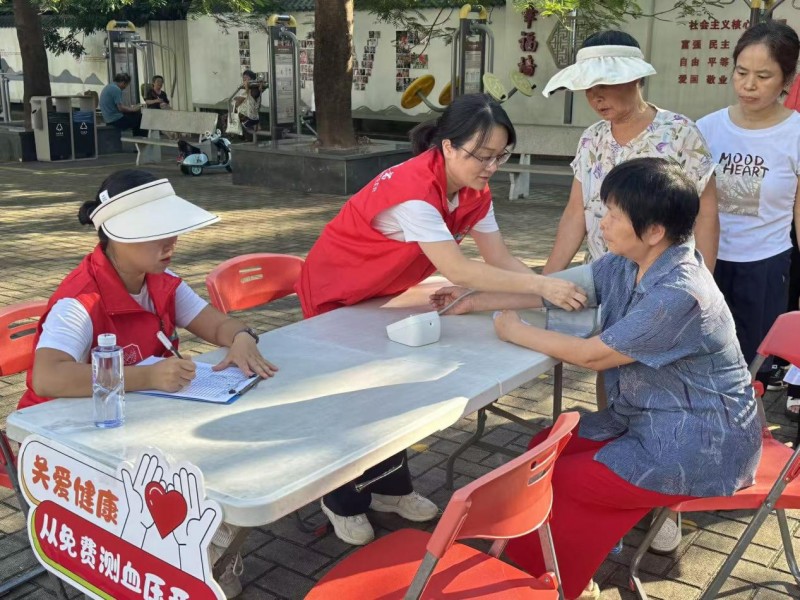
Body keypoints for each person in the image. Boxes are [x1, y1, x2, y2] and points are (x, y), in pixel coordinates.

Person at [431, 158, 762, 600]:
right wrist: (472, 299)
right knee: (542, 448)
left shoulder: (680, 294)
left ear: (654, 231)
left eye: (612, 214)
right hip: (647, 419)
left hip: (702, 442)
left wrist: (515, 330)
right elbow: (558, 289)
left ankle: (549, 584)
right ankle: (552, 569)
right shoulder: (631, 263)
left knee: (562, 478)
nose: (601, 222)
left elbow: (592, 356)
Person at [296, 93, 587, 547]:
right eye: (481, 155)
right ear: (447, 146)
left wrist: (547, 289)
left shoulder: (475, 191)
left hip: (382, 294)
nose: (490, 167)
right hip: (337, 294)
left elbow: (498, 257)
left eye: (500, 156)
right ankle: (341, 500)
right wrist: (541, 288)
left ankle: (391, 489)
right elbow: (459, 269)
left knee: (393, 392)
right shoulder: (413, 192)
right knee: (354, 399)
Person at [19, 169, 278, 599]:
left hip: (137, 424)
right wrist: (143, 376)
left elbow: (213, 323)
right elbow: (46, 377)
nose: (170, 244)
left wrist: (242, 337)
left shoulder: (162, 282)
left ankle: (204, 550)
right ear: (117, 238)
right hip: (64, 438)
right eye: (156, 234)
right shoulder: (80, 299)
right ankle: (180, 561)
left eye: (172, 231)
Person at [539, 32, 720, 554]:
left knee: (664, 390)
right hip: (612, 279)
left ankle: (666, 504)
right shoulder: (592, 138)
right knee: (614, 383)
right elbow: (576, 214)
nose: (598, 97)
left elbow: (706, 211)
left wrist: (702, 280)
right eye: (589, 88)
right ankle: (618, 490)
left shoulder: (680, 134)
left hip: (665, 284)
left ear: (637, 77)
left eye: (608, 85)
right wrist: (545, 280)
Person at [696, 22, 800, 406]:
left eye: (763, 75)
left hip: (765, 266)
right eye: (741, 72)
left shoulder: (795, 135)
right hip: (706, 262)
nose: (749, 85)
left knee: (748, 370)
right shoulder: (706, 129)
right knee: (701, 361)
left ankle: (744, 446)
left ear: (787, 78)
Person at [99, 72, 146, 137]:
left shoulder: (108, 87)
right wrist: (133, 109)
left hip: (108, 118)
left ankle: (138, 139)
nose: (125, 87)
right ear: (123, 82)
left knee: (135, 116)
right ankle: (141, 140)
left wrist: (131, 109)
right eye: (126, 85)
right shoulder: (116, 89)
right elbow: (121, 108)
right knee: (141, 118)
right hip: (115, 120)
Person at [233, 70, 264, 134]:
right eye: (243, 77)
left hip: (248, 118)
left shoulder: (253, 90)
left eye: (246, 77)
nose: (244, 79)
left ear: (252, 78)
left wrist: (246, 88)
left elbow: (239, 101)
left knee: (226, 118)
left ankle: (238, 135)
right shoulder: (253, 90)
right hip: (254, 118)